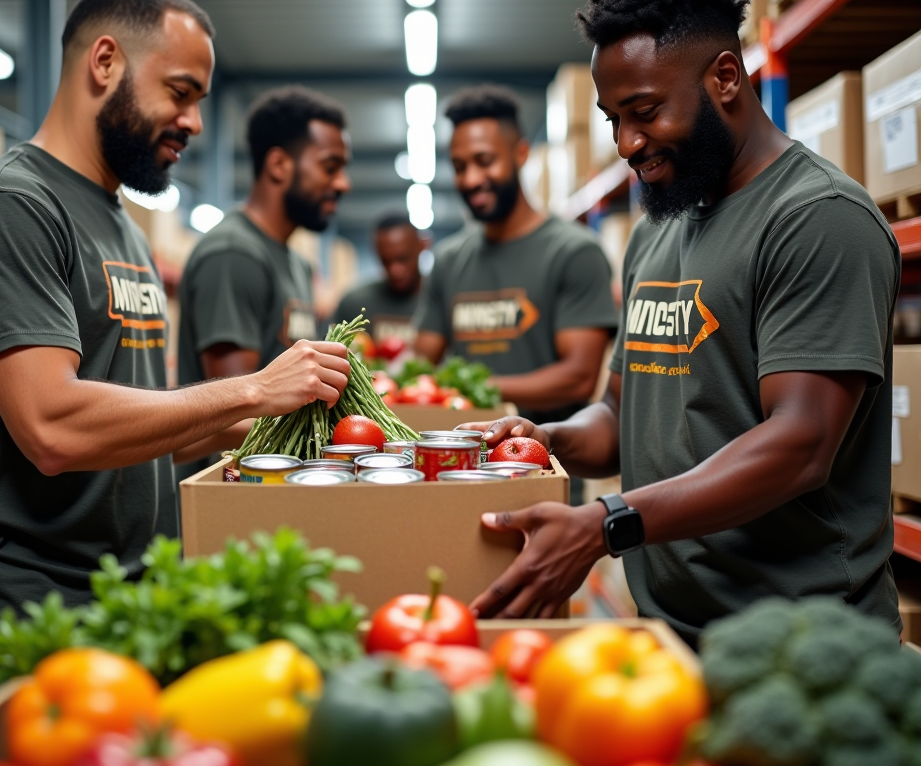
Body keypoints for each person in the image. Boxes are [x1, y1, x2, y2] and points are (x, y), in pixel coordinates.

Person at [0, 0, 350, 731]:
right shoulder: (10, 209)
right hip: (16, 631)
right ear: (106, 62)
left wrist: (305, 428)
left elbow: (151, 418)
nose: (195, 122)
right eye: (180, 92)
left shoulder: (119, 225)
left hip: (116, 611)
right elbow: (53, 428)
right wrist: (253, 391)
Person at [467, 0, 900, 644]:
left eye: (644, 112)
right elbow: (619, 409)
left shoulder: (817, 217)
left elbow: (801, 442)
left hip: (797, 641)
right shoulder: (657, 230)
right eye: (613, 120)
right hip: (671, 631)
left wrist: (610, 522)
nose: (627, 144)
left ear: (725, 77)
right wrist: (548, 439)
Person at [175, 86, 352, 480]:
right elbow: (235, 409)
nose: (343, 183)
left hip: (283, 476)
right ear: (278, 165)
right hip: (236, 486)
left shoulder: (295, 263)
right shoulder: (234, 255)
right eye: (330, 166)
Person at [413, 85, 617, 425]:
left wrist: (471, 387)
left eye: (484, 161)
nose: (471, 179)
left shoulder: (574, 252)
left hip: (545, 462)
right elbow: (421, 365)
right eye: (460, 166)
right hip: (465, 460)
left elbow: (579, 378)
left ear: (520, 154)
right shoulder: (447, 261)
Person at [333, 212, 427, 345]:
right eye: (386, 261)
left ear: (423, 246)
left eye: (403, 259)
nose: (395, 270)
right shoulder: (354, 303)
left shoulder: (439, 300)